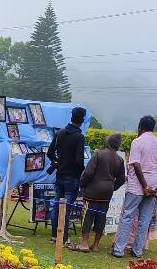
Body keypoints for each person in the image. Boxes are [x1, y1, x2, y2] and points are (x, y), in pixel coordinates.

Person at [112, 115, 157, 258]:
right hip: (154, 185)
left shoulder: (137, 142)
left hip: (137, 186)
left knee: (128, 216)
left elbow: (136, 164)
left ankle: (119, 250)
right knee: (145, 219)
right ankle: (137, 251)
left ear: (140, 127)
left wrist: (144, 186)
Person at [69, 133, 125, 253]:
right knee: (101, 216)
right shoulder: (119, 159)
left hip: (93, 191)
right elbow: (121, 179)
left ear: (107, 142)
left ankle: (84, 243)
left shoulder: (98, 154)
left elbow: (88, 173)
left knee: (89, 215)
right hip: (107, 192)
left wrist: (82, 184)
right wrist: (112, 187)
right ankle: (95, 245)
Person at [47, 106, 87, 245]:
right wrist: (80, 173)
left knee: (57, 206)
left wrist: (57, 163)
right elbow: (79, 161)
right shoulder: (79, 137)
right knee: (67, 209)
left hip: (60, 176)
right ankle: (63, 238)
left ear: (71, 118)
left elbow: (49, 153)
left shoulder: (60, 133)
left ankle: (54, 236)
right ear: (82, 121)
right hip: (72, 178)